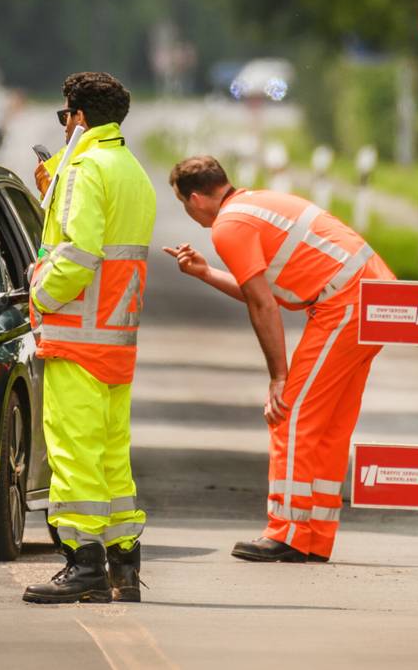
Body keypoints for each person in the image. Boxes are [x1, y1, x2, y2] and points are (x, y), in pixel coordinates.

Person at [164, 155, 395, 564]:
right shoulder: (256, 202)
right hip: (376, 299)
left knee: (288, 413)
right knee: (328, 424)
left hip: (344, 302)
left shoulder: (229, 227)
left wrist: (278, 378)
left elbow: (262, 305)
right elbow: (261, 290)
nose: (188, 212)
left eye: (184, 204)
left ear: (196, 198)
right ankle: (313, 536)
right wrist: (205, 274)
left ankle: (286, 531)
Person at [22, 72, 156, 605]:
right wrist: (52, 178)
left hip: (76, 335)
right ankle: (123, 565)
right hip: (115, 339)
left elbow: (78, 253)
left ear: (78, 117)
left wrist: (39, 296)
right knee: (110, 459)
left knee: (74, 454)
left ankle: (85, 567)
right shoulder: (130, 169)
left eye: (64, 117)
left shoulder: (84, 168)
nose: (63, 127)